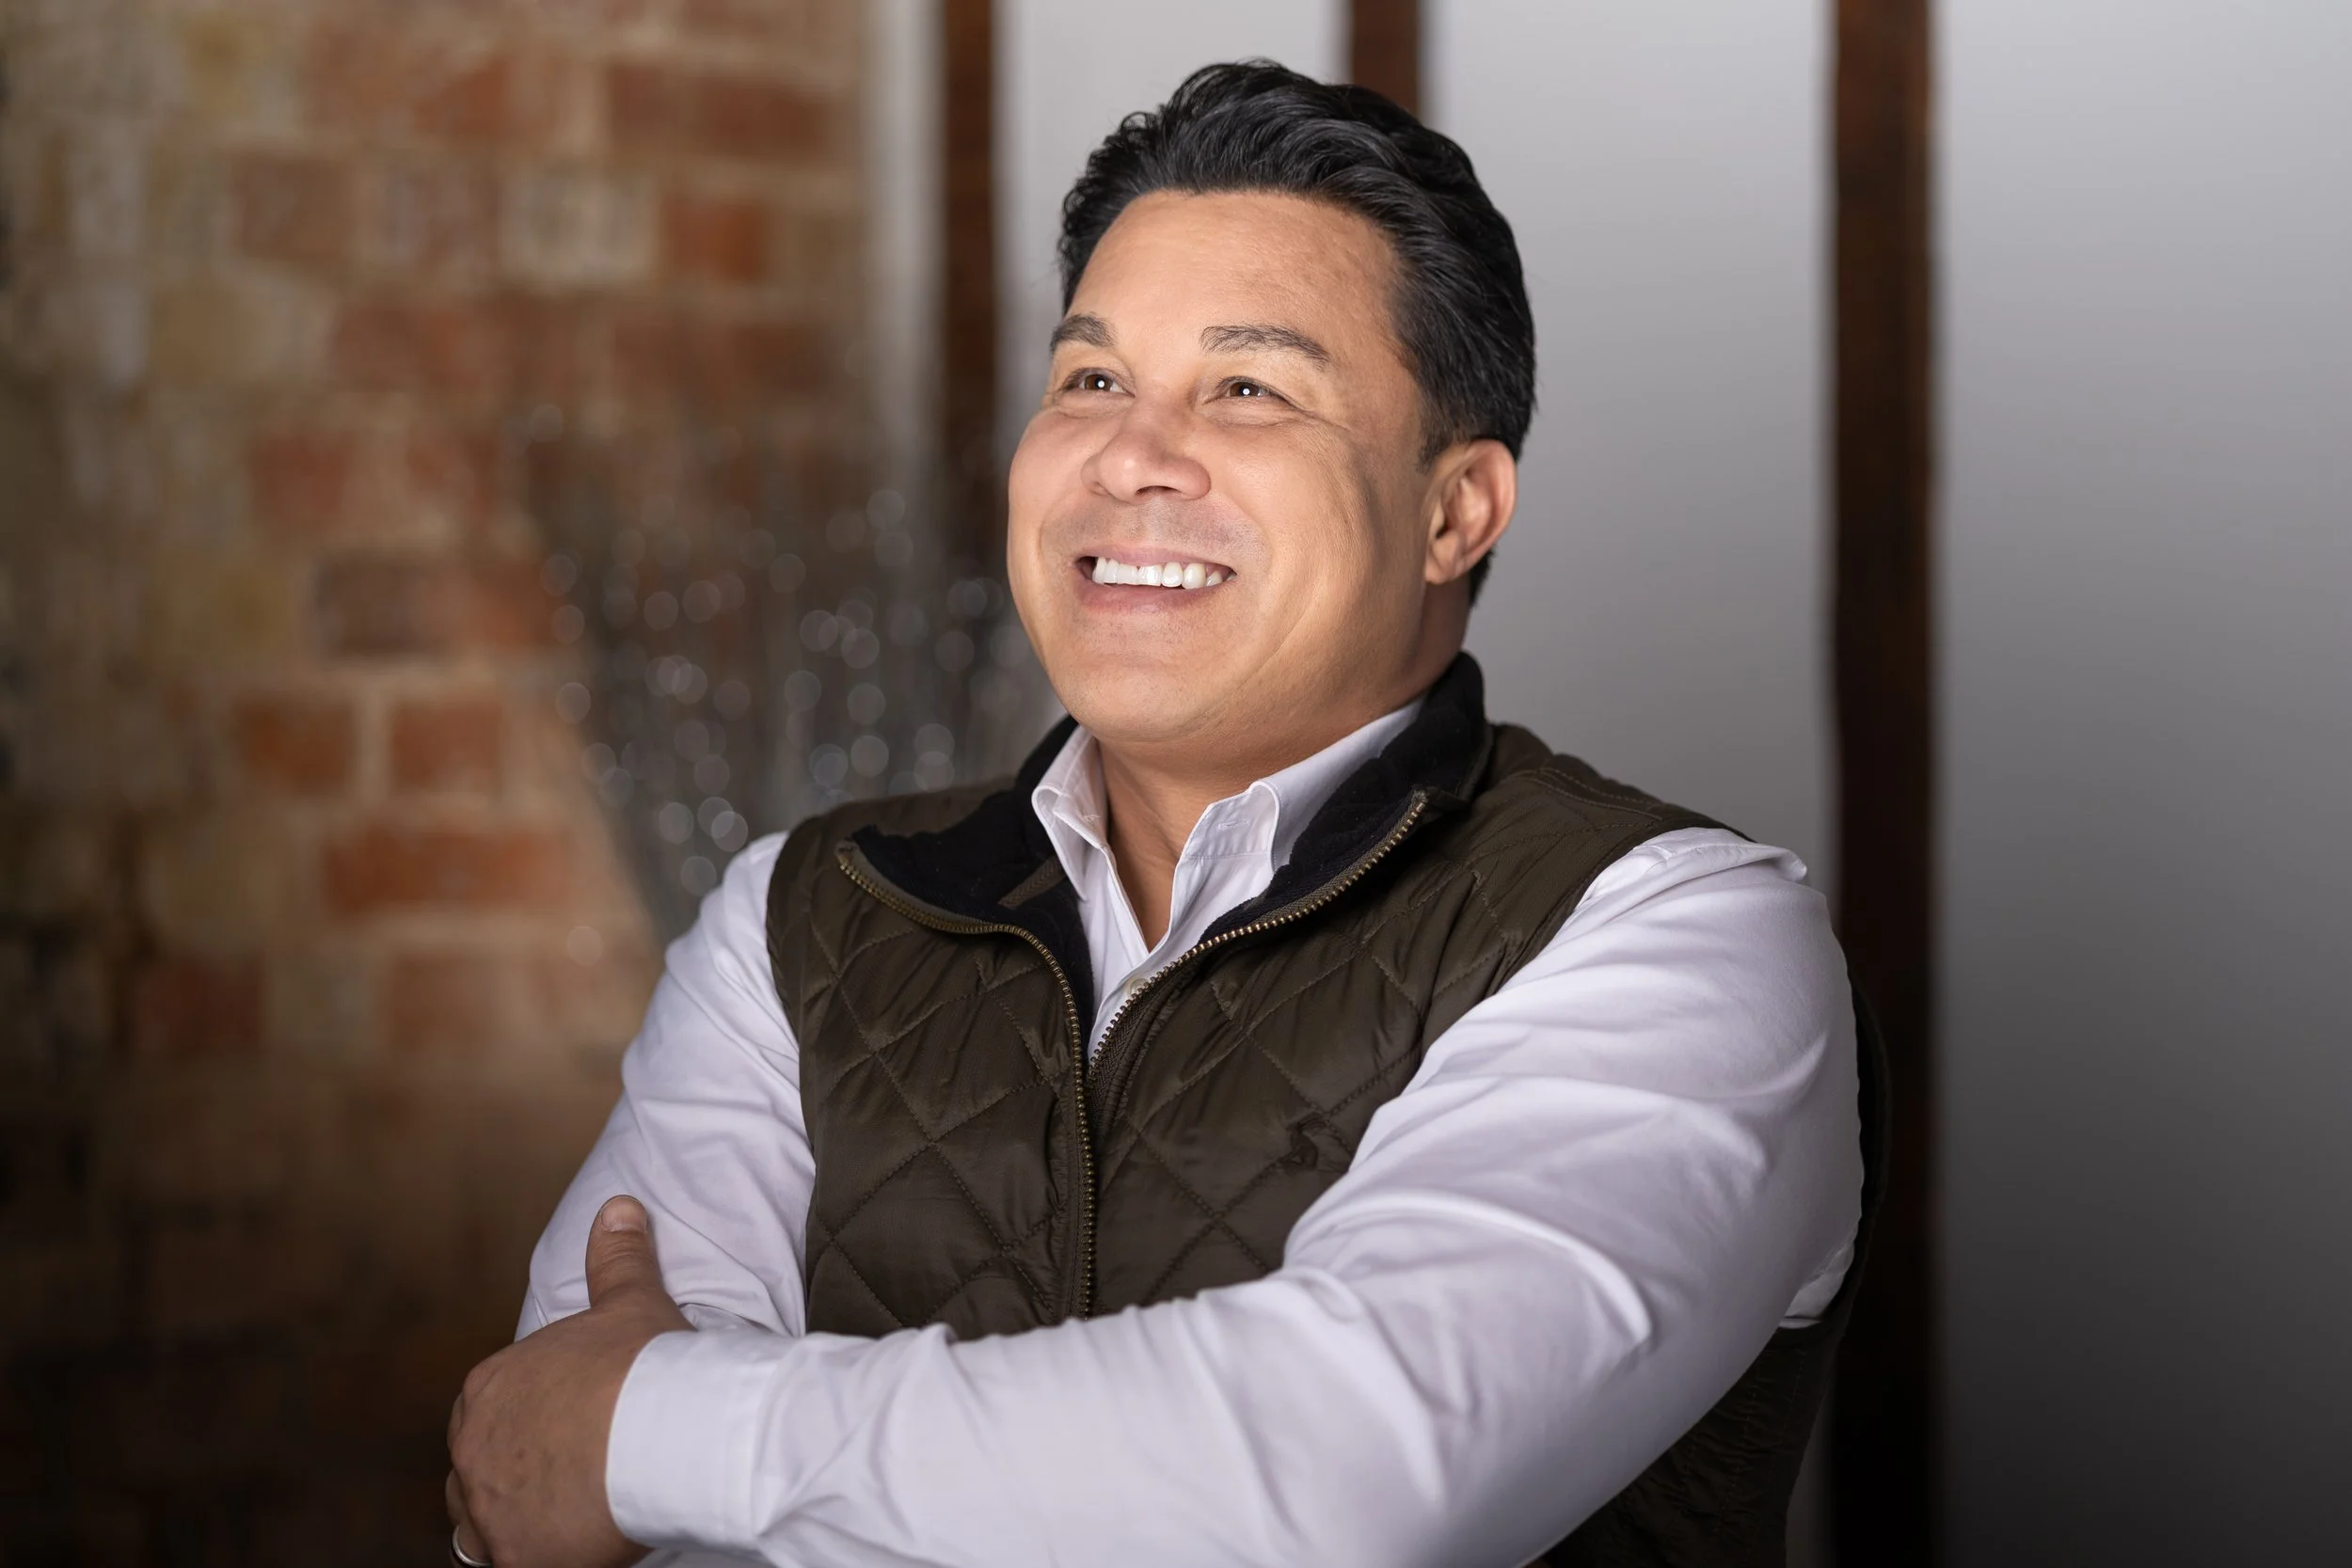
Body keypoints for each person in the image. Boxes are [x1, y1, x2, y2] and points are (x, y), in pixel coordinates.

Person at [445, 61, 1867, 1568]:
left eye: (1247, 388)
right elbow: (570, 1506)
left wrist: (673, 1431)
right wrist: (636, 1455)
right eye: (1091, 379)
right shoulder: (800, 916)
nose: (1130, 453)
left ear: (1457, 509)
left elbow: (1334, 1483)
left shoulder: (1670, 934)